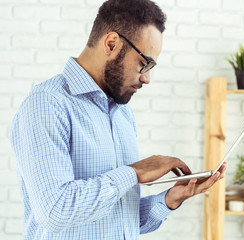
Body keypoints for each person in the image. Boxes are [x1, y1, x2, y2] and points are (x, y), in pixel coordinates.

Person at [10, 0, 227, 239]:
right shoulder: (47, 103)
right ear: (111, 43)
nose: (147, 79)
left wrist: (169, 200)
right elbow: (55, 211)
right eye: (144, 63)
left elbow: (119, 220)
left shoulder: (122, 114)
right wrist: (134, 172)